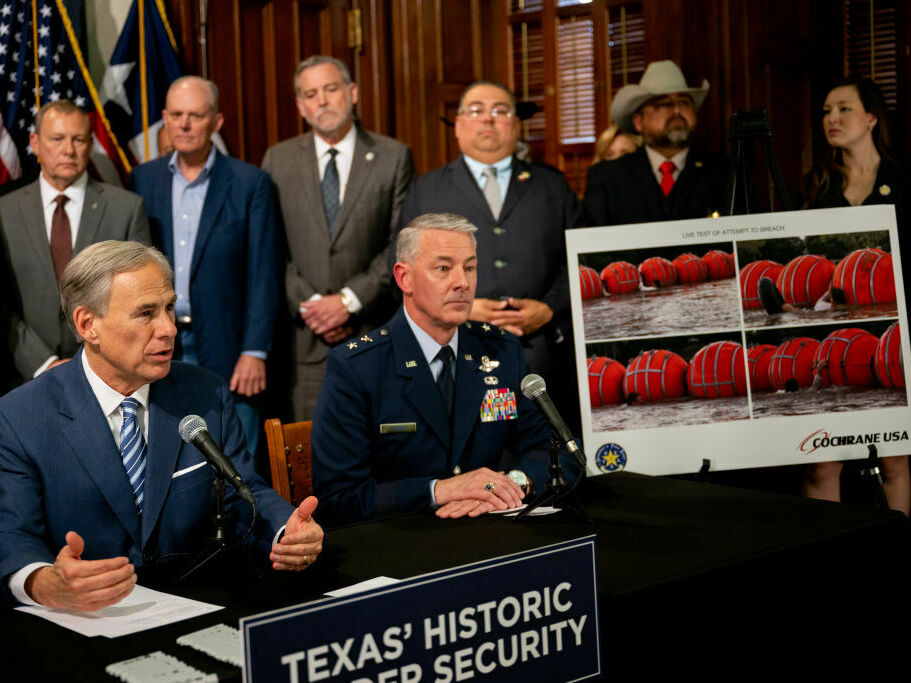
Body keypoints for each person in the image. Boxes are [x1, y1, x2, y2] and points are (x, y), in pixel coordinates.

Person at [0, 241, 323, 611]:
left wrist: (287, 531)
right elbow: (12, 534)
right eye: (145, 313)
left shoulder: (205, 392)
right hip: (85, 621)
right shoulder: (19, 417)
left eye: (169, 308)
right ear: (88, 325)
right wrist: (43, 584)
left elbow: (239, 490)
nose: (168, 328)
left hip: (199, 603)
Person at [311, 214, 575, 527]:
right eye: (443, 268)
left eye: (470, 267)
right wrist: (439, 490)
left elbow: (562, 453)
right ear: (403, 278)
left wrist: (512, 483)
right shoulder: (358, 367)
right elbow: (338, 499)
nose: (462, 282)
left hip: (488, 532)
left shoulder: (500, 351)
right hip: (400, 543)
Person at [398, 80, 583, 425]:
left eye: (500, 112)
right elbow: (410, 270)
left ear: (515, 125)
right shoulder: (426, 191)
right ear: (457, 126)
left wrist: (549, 309)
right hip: (458, 354)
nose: (488, 120)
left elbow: (577, 260)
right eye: (476, 111)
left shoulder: (551, 185)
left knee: (547, 459)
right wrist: (460, 307)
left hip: (543, 357)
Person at [129, 76, 281, 458]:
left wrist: (255, 351)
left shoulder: (250, 183)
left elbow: (264, 272)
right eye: (176, 115)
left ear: (217, 121)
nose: (184, 124)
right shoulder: (143, 180)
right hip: (159, 340)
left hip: (230, 347)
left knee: (234, 456)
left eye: (195, 115)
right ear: (164, 118)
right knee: (166, 453)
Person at [262, 55, 414, 421]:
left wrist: (348, 301)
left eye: (331, 89)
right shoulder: (278, 159)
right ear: (300, 104)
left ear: (353, 92)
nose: (322, 101)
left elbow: (401, 243)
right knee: (308, 459)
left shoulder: (393, 157)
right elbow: (269, 249)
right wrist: (315, 306)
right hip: (306, 344)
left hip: (374, 332)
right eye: (310, 94)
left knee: (382, 449)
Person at [801, 77, 909, 514]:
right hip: (835, 335)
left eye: (843, 108)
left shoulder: (901, 180)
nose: (832, 119)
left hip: (895, 337)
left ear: (870, 117)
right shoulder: (816, 187)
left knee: (894, 460)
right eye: (827, 111)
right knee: (820, 464)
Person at [0, 100, 150, 386]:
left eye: (78, 139)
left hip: (107, 376)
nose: (68, 150)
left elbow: (138, 301)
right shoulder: (4, 211)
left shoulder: (126, 209)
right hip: (23, 378)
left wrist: (93, 363)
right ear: (35, 142)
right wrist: (42, 362)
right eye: (57, 139)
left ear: (90, 143)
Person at [583, 60, 727, 227]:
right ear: (638, 122)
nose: (676, 111)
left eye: (684, 102)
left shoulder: (724, 171)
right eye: (663, 104)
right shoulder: (607, 178)